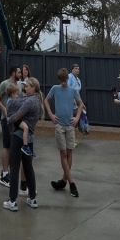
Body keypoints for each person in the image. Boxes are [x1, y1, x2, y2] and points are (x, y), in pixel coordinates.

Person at [3, 78, 42, 211]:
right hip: (29, 138)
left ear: (33, 88)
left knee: (14, 166)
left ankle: (12, 201)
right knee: (28, 167)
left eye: (27, 86)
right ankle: (32, 198)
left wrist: (9, 119)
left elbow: (17, 115)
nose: (25, 88)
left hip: (19, 136)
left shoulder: (29, 101)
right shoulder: (35, 100)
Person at [45, 67, 83, 198]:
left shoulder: (72, 91)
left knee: (69, 151)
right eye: (60, 80)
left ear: (67, 78)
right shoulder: (55, 89)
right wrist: (50, 114)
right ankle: (72, 183)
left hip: (70, 125)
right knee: (63, 152)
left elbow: (80, 104)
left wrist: (77, 117)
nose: (63, 82)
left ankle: (63, 181)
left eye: (64, 80)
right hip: (60, 125)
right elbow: (46, 100)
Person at [0, 64, 22, 187]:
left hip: (17, 120)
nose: (20, 74)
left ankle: (11, 173)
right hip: (7, 120)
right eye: (19, 72)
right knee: (7, 146)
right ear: (13, 73)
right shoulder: (5, 84)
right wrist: (4, 109)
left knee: (15, 147)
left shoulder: (20, 85)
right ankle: (4, 173)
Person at [68, 63, 88, 137]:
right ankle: (69, 139)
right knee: (70, 122)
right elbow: (67, 89)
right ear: (72, 69)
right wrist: (72, 100)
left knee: (75, 122)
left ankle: (72, 138)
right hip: (69, 104)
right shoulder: (69, 77)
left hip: (76, 105)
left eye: (78, 69)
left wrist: (81, 103)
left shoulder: (78, 80)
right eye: (75, 68)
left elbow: (78, 93)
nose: (77, 70)